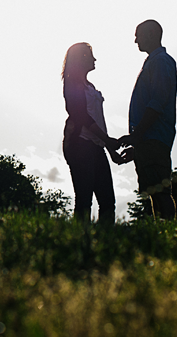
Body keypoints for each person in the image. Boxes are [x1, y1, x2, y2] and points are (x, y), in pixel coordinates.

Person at [61, 42, 130, 223]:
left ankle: (103, 243)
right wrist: (108, 141)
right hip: (80, 145)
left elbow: (98, 120)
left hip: (96, 146)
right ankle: (79, 243)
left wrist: (110, 150)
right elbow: (81, 117)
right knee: (84, 198)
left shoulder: (89, 86)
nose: (95, 59)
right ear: (81, 59)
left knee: (108, 201)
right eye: (90, 55)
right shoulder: (72, 84)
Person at [119, 20, 177, 220]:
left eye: (139, 34)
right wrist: (138, 145)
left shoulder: (161, 62)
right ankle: (162, 233)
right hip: (149, 139)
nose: (135, 39)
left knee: (160, 192)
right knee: (154, 192)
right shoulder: (154, 62)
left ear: (151, 34)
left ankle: (169, 233)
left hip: (154, 137)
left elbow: (157, 101)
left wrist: (138, 135)